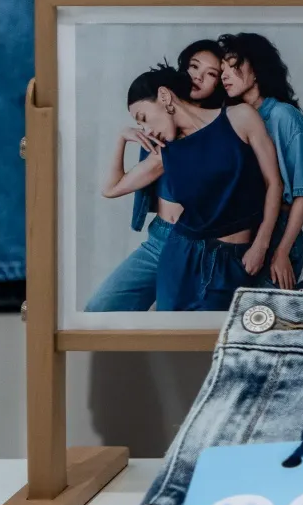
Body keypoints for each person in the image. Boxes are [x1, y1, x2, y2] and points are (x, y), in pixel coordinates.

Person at [100, 63, 282, 312]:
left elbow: (274, 183)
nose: (147, 129)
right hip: (180, 256)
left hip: (233, 259)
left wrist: (261, 245)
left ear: (164, 96)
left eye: (144, 118)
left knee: (216, 343)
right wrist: (122, 137)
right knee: (173, 342)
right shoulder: (166, 151)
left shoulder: (240, 117)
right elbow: (111, 189)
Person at [85, 39, 224, 311]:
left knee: (175, 325)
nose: (198, 77)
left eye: (211, 74)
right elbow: (110, 188)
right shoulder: (163, 140)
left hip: (200, 247)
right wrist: (122, 139)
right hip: (159, 239)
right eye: (194, 67)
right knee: (100, 310)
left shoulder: (227, 128)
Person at [219, 32, 303, 289]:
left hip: (277, 232)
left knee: (267, 320)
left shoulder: (284, 116)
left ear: (257, 68)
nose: (224, 75)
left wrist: (281, 251)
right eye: (222, 70)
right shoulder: (231, 118)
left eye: (233, 66)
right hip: (240, 228)